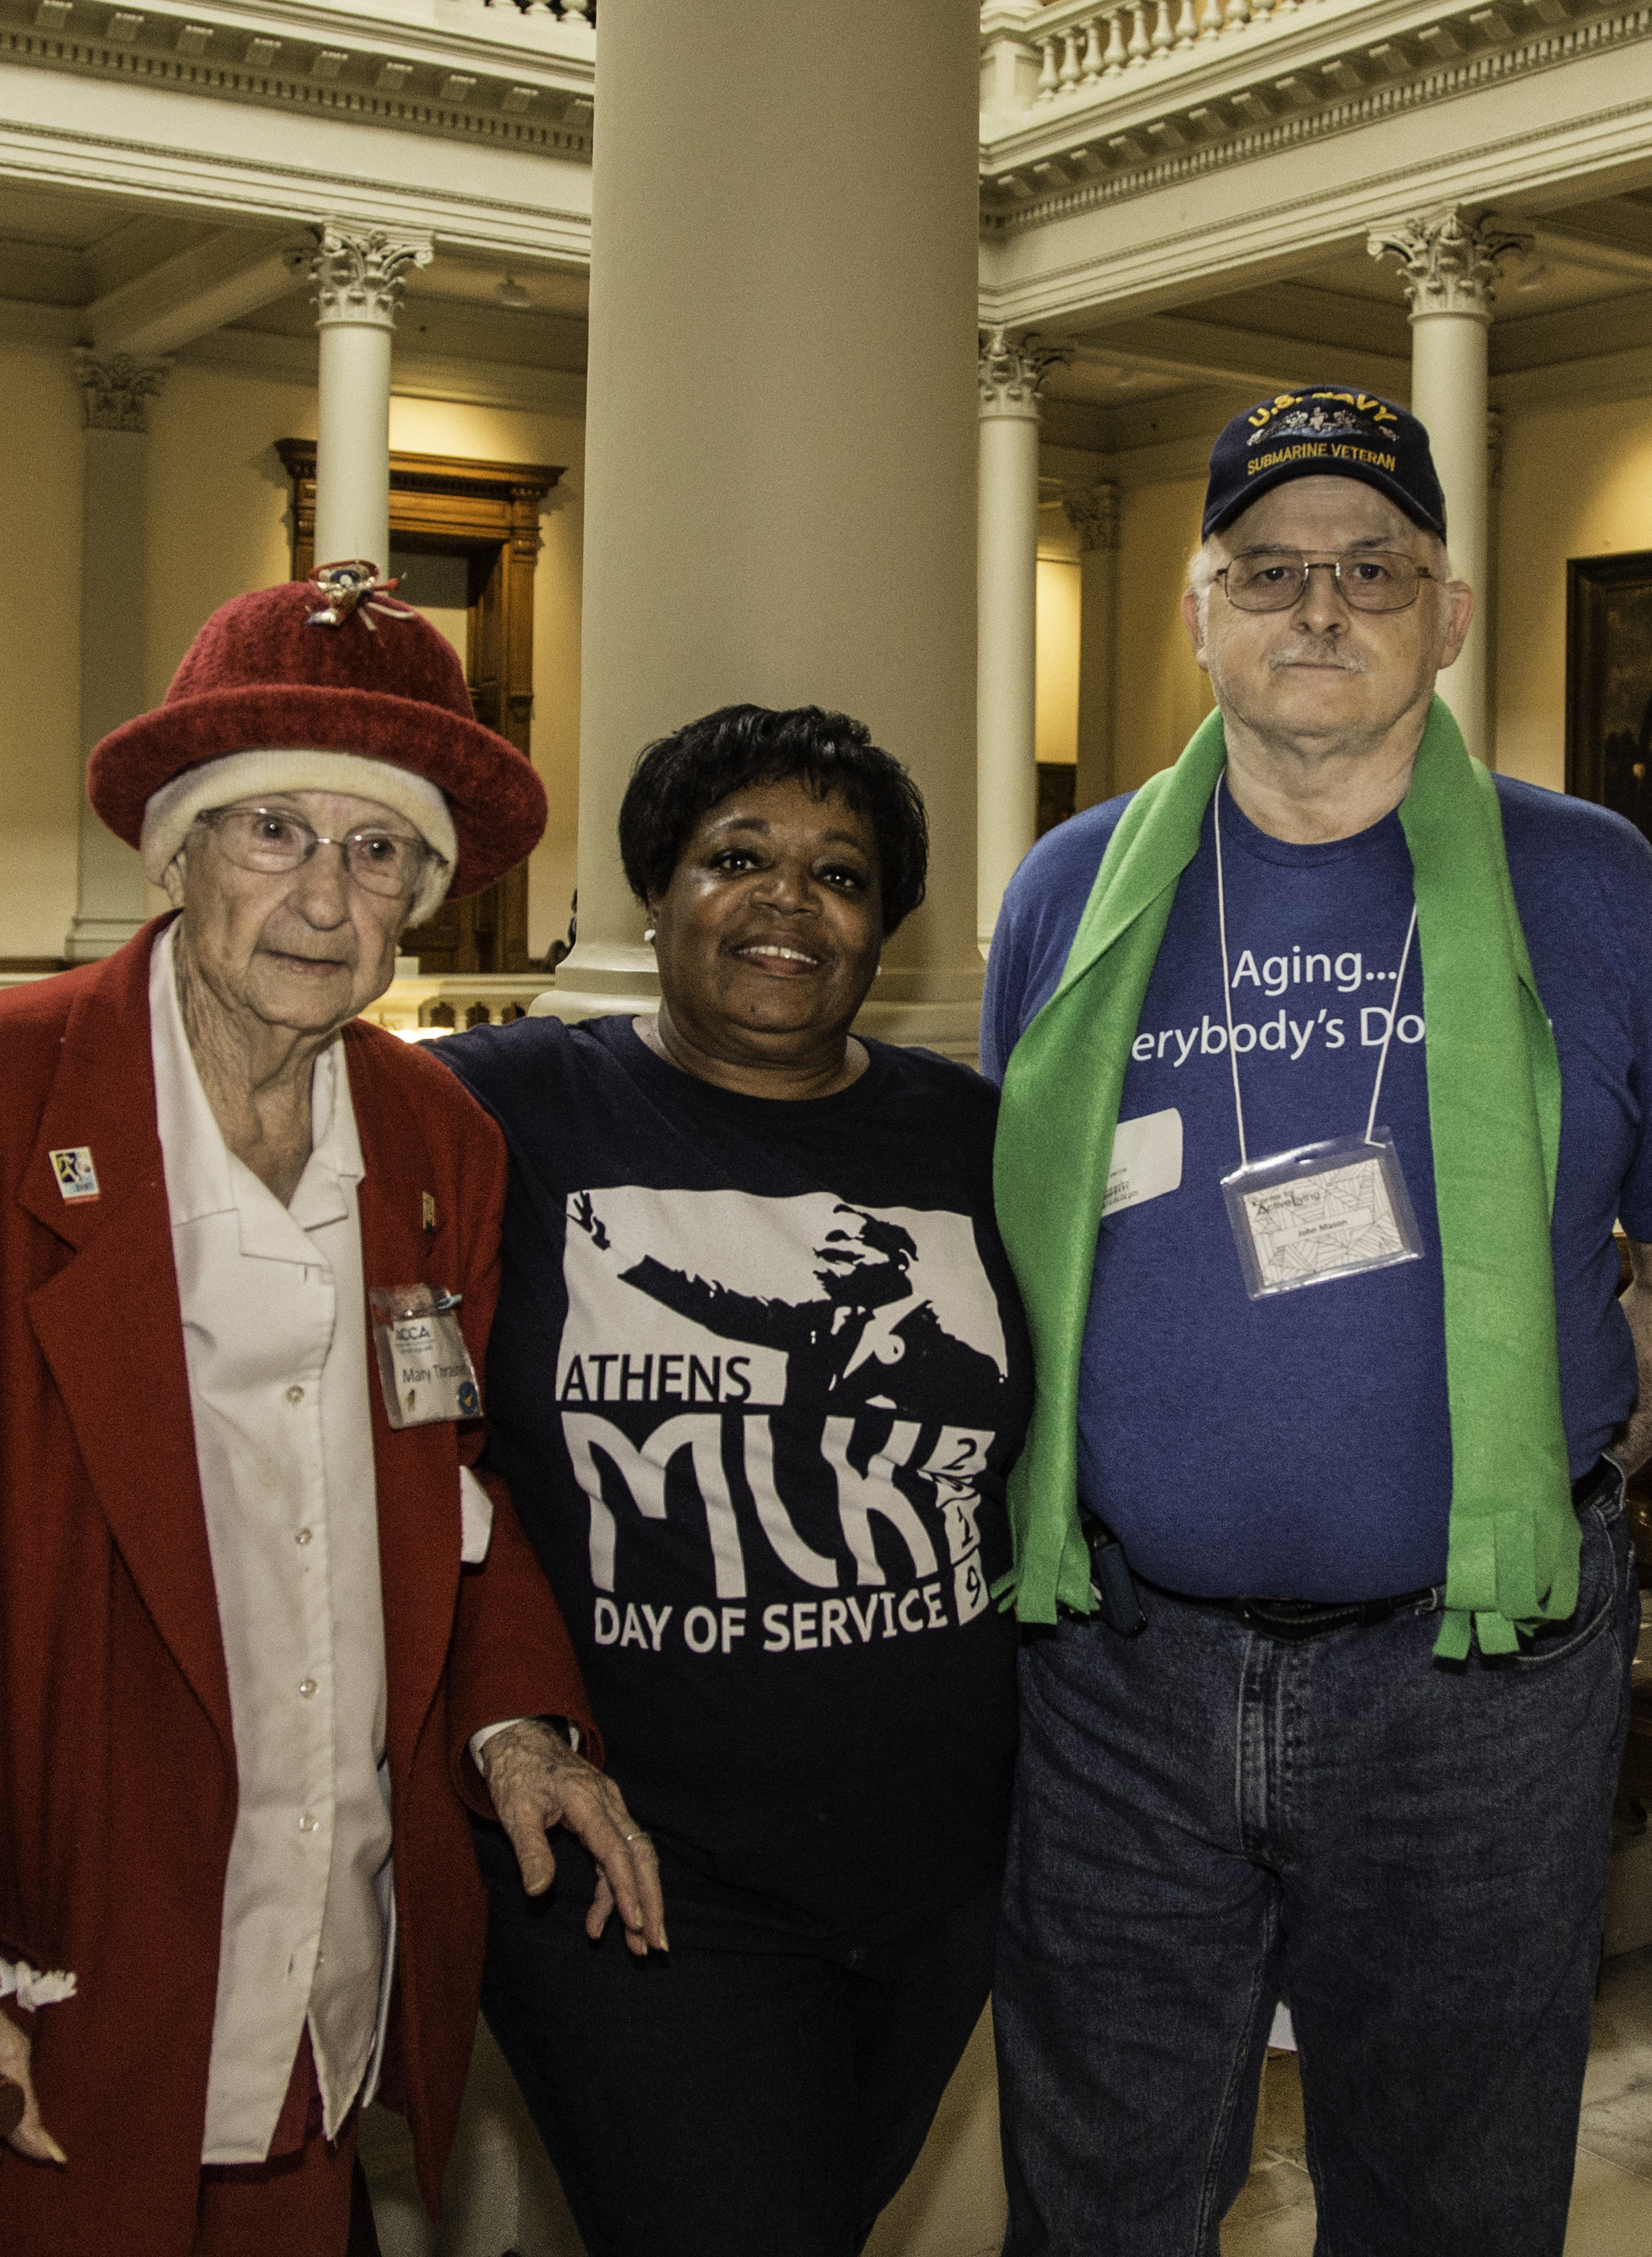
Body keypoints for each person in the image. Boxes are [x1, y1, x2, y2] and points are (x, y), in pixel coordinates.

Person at [982, 385, 1652, 2255]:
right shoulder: (1069, 893)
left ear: (1450, 612)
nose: (1317, 610)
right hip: (1117, 1671)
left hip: (1476, 1686)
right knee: (1097, 2194)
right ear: (1194, 611)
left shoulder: (1590, 885)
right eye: (1267, 571)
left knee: (1449, 2199)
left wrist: (1531, 1481)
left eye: (1369, 569)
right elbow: (1007, 1259)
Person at [0, 566, 657, 2256]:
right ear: (175, 849)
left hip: (323, 1959)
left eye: (377, 852)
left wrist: (515, 1725)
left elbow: (454, 1483)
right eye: (271, 829)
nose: (323, 898)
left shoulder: (437, 1146)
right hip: (39, 1986)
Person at [429, 705, 1029, 2257]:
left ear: (880, 929)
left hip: (934, 1869)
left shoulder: (972, 1141)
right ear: (656, 889)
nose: (784, 899)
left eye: (838, 874)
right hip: (639, 1863)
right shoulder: (505, 1108)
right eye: (734, 858)